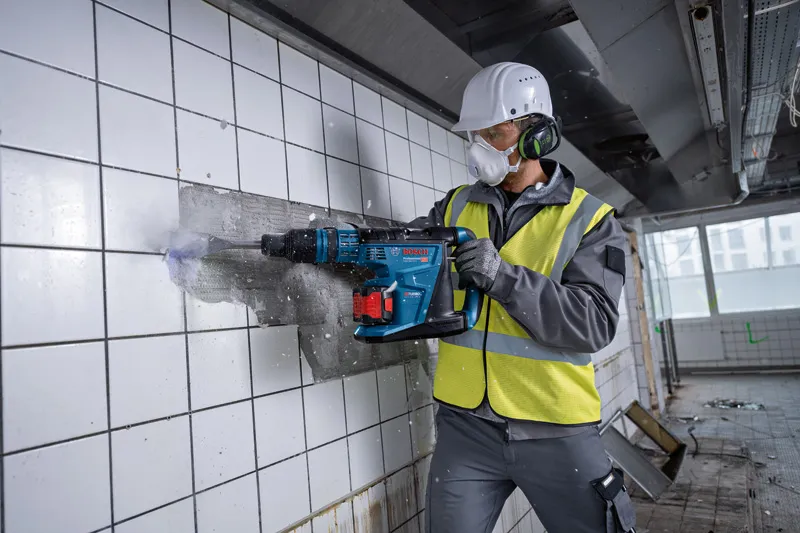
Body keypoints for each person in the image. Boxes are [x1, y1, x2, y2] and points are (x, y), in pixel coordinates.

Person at [410, 62, 637, 533]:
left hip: (555, 427)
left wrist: (502, 277)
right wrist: (345, 247)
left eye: (493, 133)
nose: (479, 148)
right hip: (464, 426)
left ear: (537, 137)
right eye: (474, 135)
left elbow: (593, 324)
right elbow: (406, 254)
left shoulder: (591, 220)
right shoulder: (454, 206)